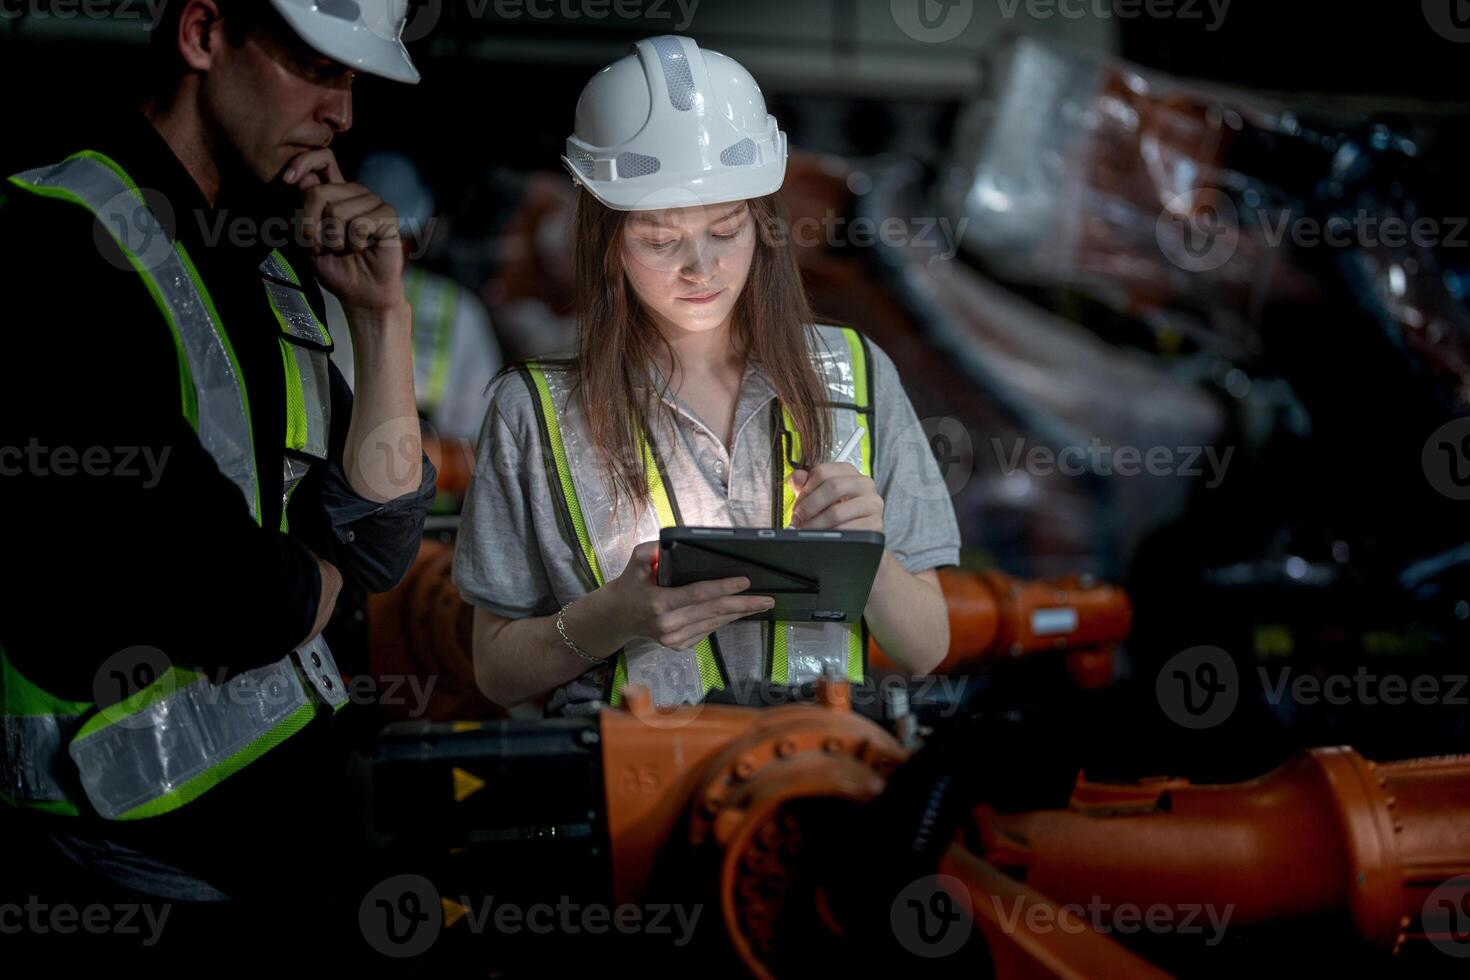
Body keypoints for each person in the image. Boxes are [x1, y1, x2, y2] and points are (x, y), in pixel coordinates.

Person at [0, 0, 432, 952]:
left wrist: (380, 314)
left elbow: (383, 535)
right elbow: (233, 593)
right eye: (318, 67)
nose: (342, 114)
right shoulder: (60, 236)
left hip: (276, 838)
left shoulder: (268, 250)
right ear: (203, 35)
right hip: (122, 858)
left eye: (353, 81)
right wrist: (318, 572)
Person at [453, 36, 960, 716]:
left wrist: (871, 560)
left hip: (816, 781)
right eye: (660, 239)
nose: (701, 268)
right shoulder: (533, 411)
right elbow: (495, 669)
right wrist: (611, 618)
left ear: (763, 224)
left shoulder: (856, 375)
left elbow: (928, 646)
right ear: (604, 243)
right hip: (629, 793)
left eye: (727, 230)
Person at [327, 150, 505, 441]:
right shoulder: (307, 295)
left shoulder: (458, 312)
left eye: (393, 237)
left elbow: (478, 453)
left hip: (417, 481)